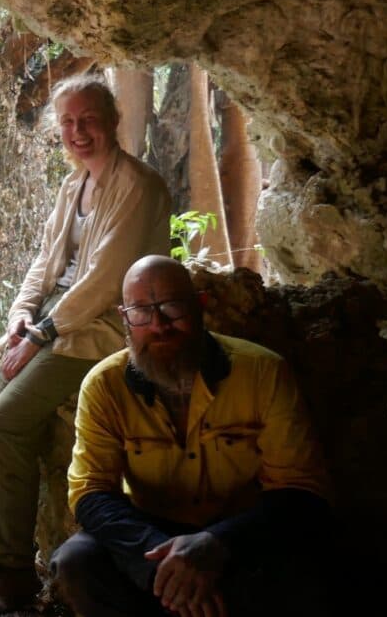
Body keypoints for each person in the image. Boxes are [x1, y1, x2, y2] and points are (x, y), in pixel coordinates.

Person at [0, 74, 171, 616]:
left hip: (102, 331)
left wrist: (41, 334)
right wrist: (21, 316)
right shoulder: (75, 186)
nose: (78, 132)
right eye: (68, 123)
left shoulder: (138, 186)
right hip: (55, 323)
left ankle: (13, 571)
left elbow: (101, 283)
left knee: (5, 423)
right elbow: (43, 264)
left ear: (113, 121)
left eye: (88, 120)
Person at [51, 256, 332, 617]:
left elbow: (303, 490)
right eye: (141, 312)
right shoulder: (104, 385)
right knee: (77, 560)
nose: (159, 326)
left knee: (309, 563)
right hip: (150, 539)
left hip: (239, 534)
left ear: (199, 306)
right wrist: (164, 559)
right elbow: (90, 492)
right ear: (125, 318)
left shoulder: (263, 372)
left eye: (172, 308)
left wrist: (217, 544)